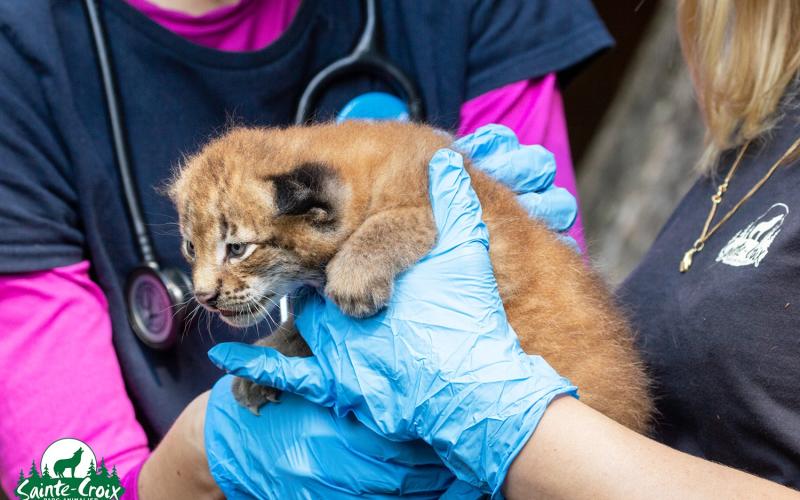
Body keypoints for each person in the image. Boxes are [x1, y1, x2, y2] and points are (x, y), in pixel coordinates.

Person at [0, 0, 610, 497]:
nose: (204, 289)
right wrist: (189, 471)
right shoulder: (19, 61)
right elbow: (65, 484)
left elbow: (561, 325)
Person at [202, 0, 800, 497]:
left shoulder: (484, 16)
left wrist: (514, 427)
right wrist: (181, 464)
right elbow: (106, 480)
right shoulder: (760, 125)